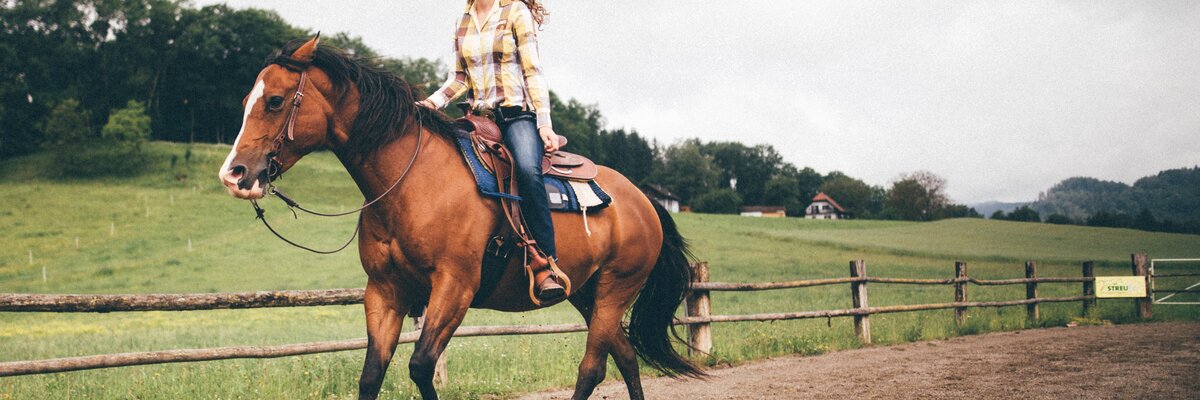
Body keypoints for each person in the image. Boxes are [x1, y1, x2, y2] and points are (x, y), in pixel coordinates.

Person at [418, 0, 565, 302]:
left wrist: (544, 123)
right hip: (476, 118)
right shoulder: (464, 20)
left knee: (526, 169)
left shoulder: (515, 13)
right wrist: (431, 104)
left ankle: (546, 263)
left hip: (516, 116)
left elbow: (533, 73)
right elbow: (459, 78)